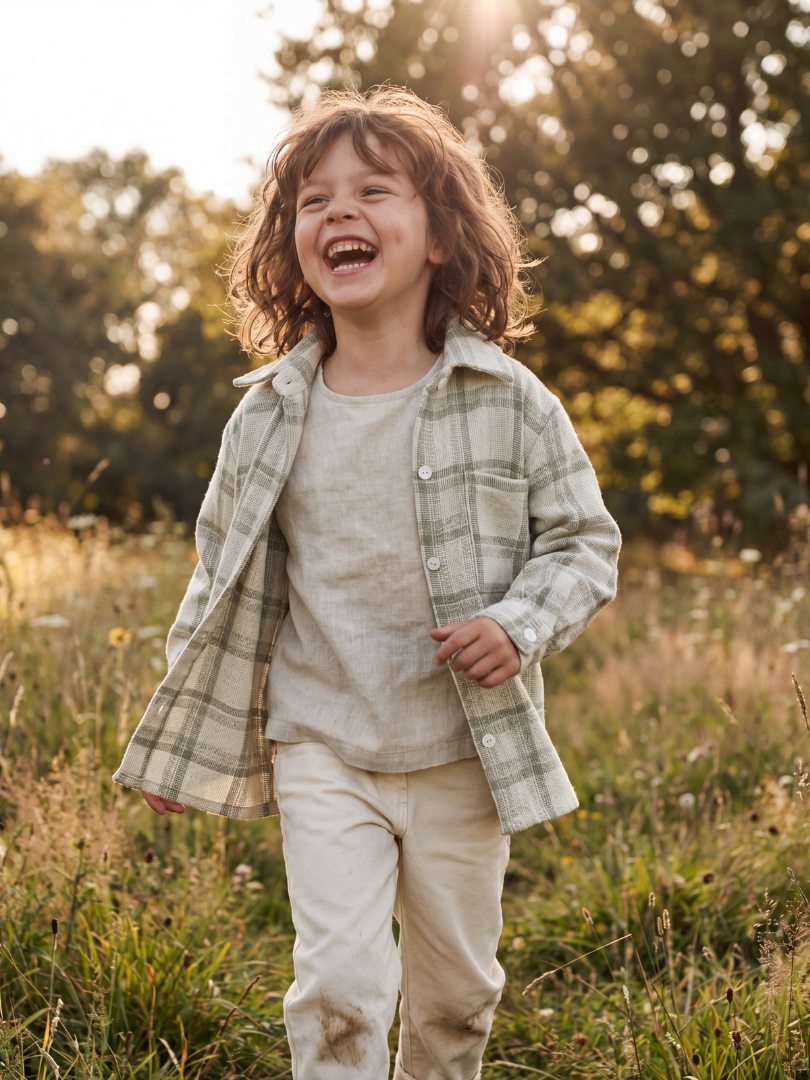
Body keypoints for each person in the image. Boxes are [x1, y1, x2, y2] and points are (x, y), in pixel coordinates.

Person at [114, 85, 621, 1080]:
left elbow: (583, 542)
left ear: (441, 236)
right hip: (323, 743)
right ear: (292, 242)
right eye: (314, 200)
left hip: (462, 749)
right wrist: (181, 735)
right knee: (339, 990)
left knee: (456, 1001)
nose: (339, 211)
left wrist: (518, 624)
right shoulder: (268, 414)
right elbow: (219, 574)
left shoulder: (509, 400)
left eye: (373, 191)